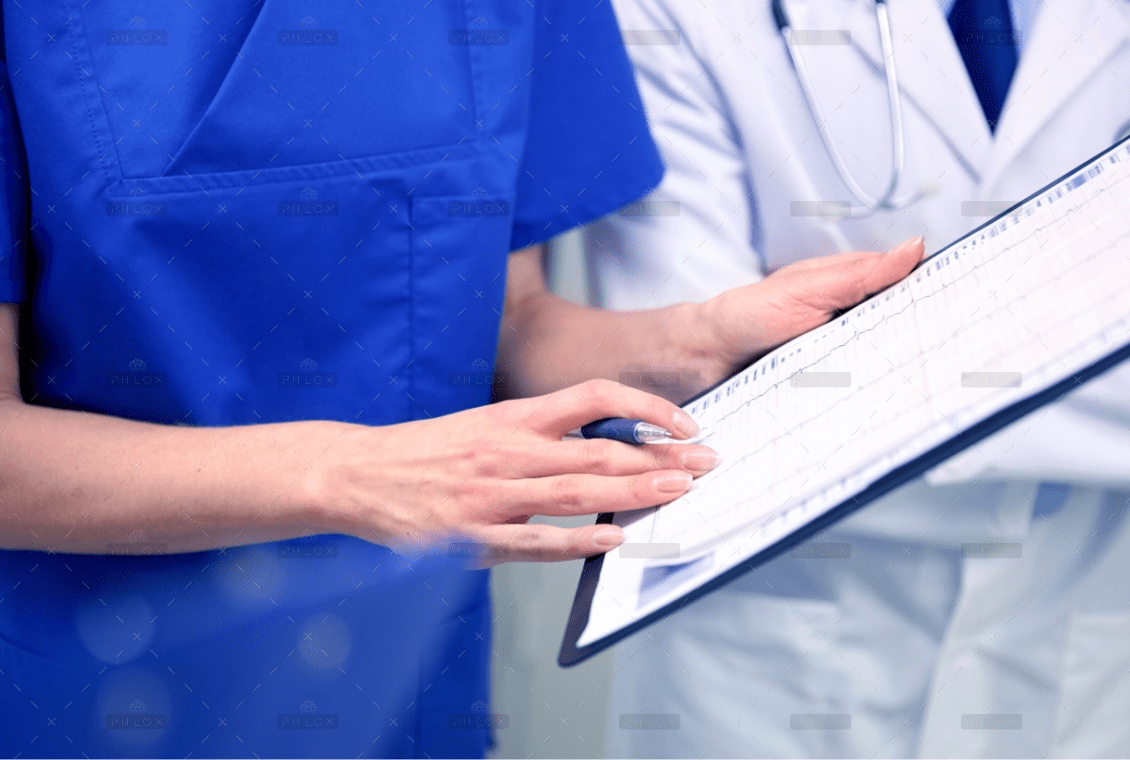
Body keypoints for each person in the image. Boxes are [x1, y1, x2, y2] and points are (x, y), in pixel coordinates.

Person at [0, 1, 923, 757]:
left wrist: (700, 337)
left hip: (401, 680)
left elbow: (515, 326)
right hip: (93, 687)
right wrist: (353, 478)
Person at [586, 0, 1130, 757]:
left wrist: (834, 361)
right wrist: (1083, 325)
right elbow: (692, 413)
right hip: (774, 657)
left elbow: (754, 386)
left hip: (1083, 637)